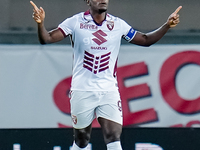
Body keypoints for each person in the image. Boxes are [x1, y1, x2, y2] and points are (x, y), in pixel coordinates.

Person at [30, 0, 182, 150]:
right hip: (82, 90)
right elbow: (47, 38)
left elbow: (145, 40)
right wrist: (40, 24)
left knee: (113, 137)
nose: (103, 0)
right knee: (82, 140)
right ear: (88, 1)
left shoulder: (118, 24)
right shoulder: (75, 22)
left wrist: (167, 25)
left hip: (109, 90)